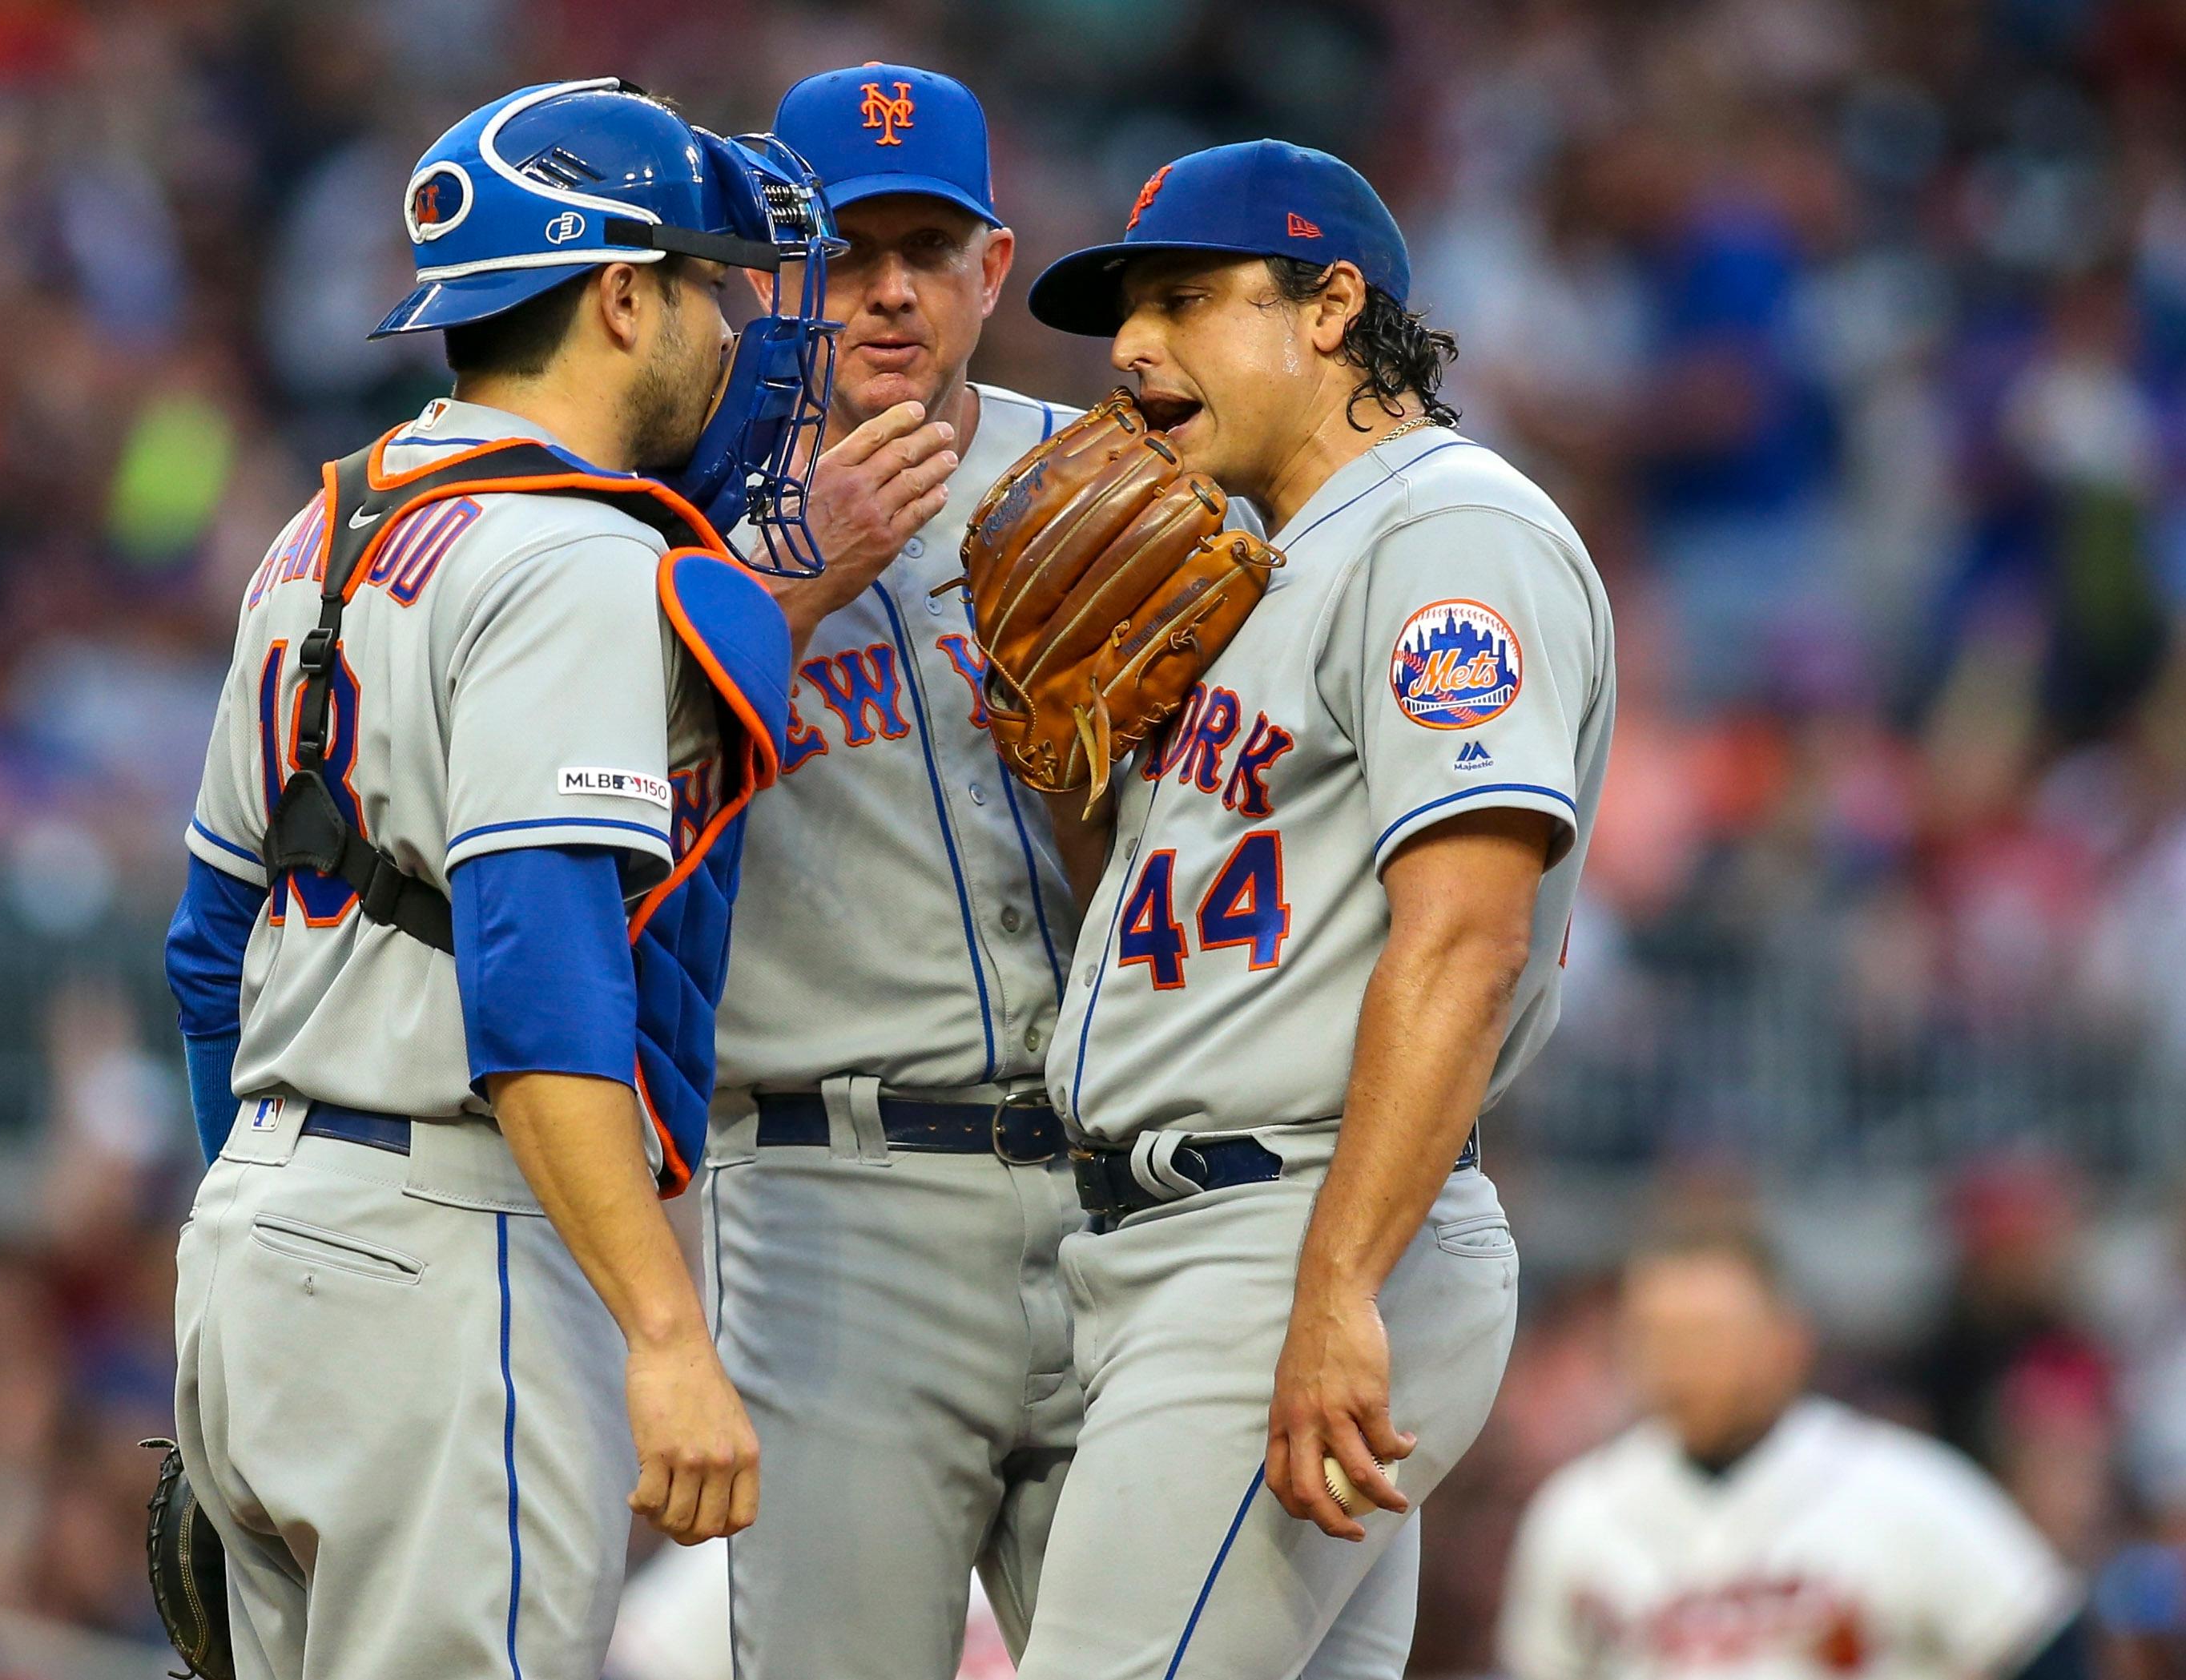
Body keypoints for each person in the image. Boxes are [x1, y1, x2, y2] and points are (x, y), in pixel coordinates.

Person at [702, 67, 1421, 1679]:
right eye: (851, 248)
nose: (890, 288)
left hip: (1131, 1187)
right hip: (841, 1202)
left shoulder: (1136, 474)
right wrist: (781, 589)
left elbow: (1248, 816)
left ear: (988, 262)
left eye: (929, 248)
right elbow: (597, 800)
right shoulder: (678, 513)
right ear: (775, 269)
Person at [159, 79, 837, 1678]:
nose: (741, 326)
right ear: (619, 294)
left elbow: (207, 955)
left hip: (257, 1234)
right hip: (451, 1254)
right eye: (711, 282)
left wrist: (277, 1236)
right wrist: (668, 1331)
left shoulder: (317, 532)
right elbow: (537, 982)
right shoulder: (569, 558)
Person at [1005, 140, 1618, 1679]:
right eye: (1129, 307)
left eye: (1189, 298)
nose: (1135, 346)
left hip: (1297, 1227)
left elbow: (1467, 938)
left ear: (1334, 306)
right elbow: (1187, 937)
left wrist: (1338, 1287)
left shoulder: (1445, 532)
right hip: (1203, 1234)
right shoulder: (1246, 566)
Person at [1500, 1229, 2087, 1680]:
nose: (1679, 1361)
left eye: (1708, 1335)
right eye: (1655, 1336)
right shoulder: (1577, 1507)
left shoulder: (1902, 1485)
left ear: (1787, 1341)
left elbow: (2044, 1642)